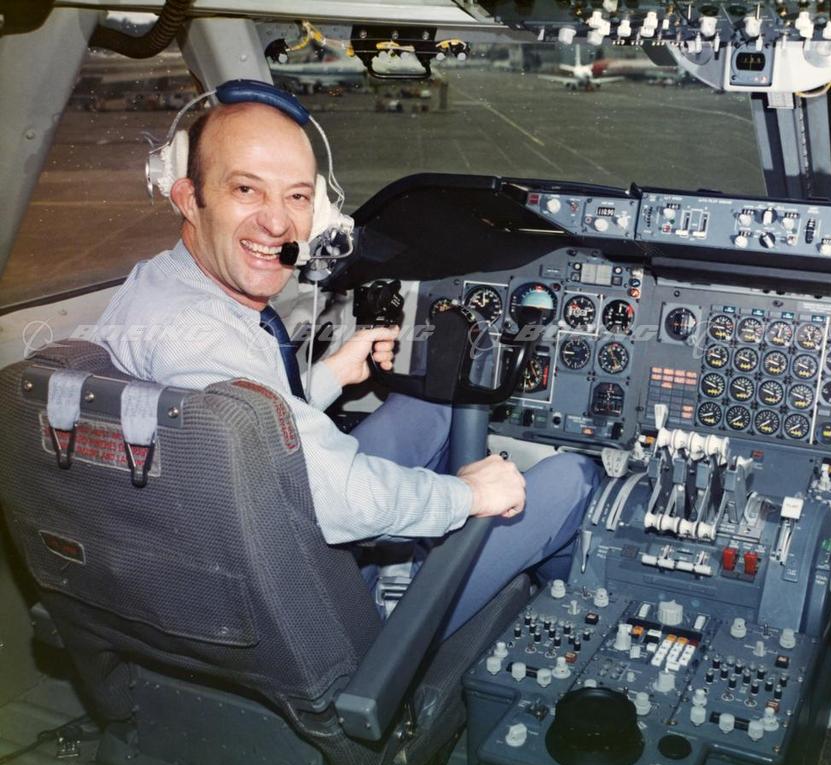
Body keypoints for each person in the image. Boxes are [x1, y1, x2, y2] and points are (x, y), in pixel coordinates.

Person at [96, 99, 601, 637]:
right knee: (572, 476)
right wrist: (470, 496)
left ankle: (429, 564)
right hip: (314, 618)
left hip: (227, 563)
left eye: (296, 196)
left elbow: (237, 428)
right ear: (188, 199)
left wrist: (332, 374)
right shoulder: (200, 338)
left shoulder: (158, 288)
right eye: (246, 189)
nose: (276, 222)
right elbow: (344, 500)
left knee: (429, 407)